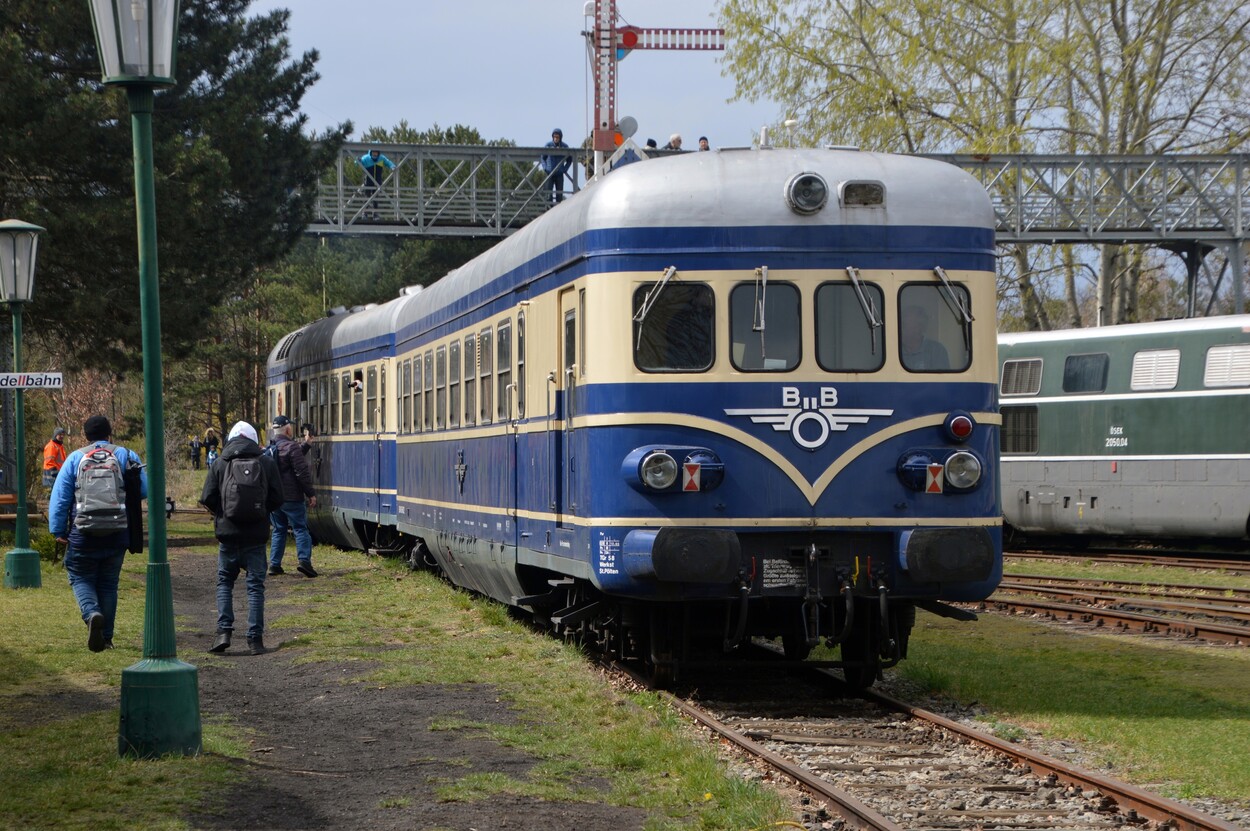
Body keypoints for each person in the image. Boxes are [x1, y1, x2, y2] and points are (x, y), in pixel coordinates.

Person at [48, 415, 147, 652]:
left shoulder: (75, 458)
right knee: (109, 584)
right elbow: (143, 490)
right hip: (117, 532)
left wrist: (58, 530)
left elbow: (60, 499)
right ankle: (107, 638)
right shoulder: (127, 455)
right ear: (109, 433)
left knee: (80, 577)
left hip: (83, 534)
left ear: (86, 436)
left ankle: (92, 612)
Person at [200, 421, 283, 655]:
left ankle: (223, 632)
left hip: (228, 537)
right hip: (256, 537)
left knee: (225, 583)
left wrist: (224, 512)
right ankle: (255, 640)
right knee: (255, 587)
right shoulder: (266, 462)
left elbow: (207, 497)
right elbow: (278, 498)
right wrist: (261, 511)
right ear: (254, 439)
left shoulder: (220, 463)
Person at [267, 415, 319, 578]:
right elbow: (301, 472)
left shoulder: (271, 448)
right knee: (300, 528)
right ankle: (304, 562)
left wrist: (307, 444)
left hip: (275, 499)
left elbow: (288, 459)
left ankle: (274, 565)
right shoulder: (291, 447)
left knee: (279, 530)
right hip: (292, 498)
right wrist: (310, 494)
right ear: (288, 429)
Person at [899, 304, 950, 370]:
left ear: (919, 327)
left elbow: (942, 378)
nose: (901, 327)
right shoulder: (894, 349)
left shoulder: (937, 351)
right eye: (902, 323)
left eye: (905, 324)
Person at [359, 148, 395, 218]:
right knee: (367, 196)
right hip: (368, 181)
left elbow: (388, 162)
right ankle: (365, 213)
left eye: (376, 153)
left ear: (378, 153)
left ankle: (375, 213)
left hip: (377, 181)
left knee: (375, 198)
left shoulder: (381, 158)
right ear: (371, 152)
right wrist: (358, 160)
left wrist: (392, 166)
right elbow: (359, 163)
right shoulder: (366, 158)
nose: (375, 154)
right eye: (373, 153)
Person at [540, 128, 571, 204]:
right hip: (549, 173)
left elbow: (570, 159)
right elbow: (542, 158)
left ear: (560, 137)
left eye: (557, 137)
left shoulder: (565, 147)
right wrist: (545, 168)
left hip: (559, 174)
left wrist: (565, 169)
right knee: (548, 196)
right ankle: (548, 210)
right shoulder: (548, 145)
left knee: (559, 196)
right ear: (552, 137)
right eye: (554, 136)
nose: (556, 138)